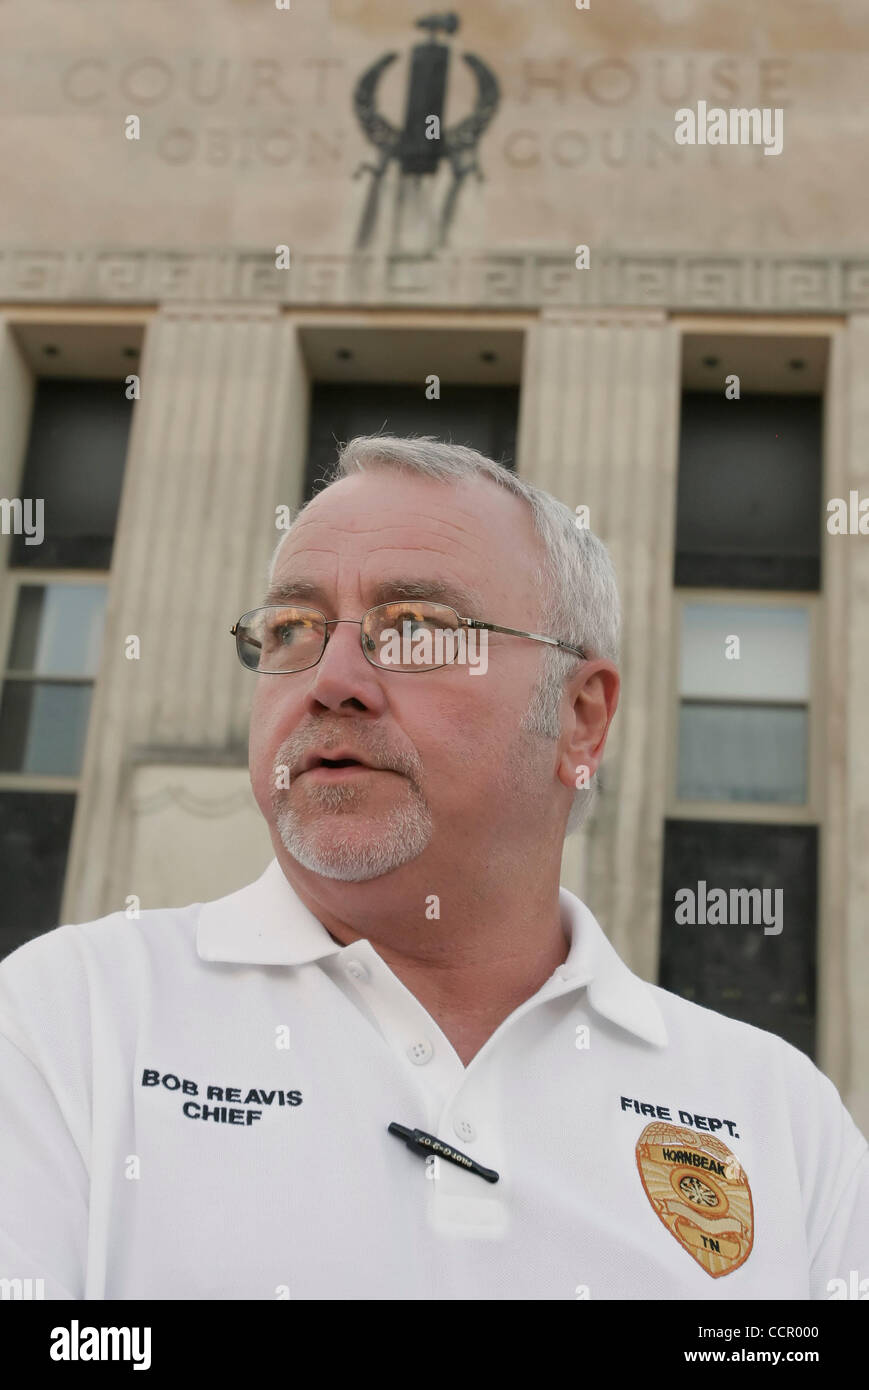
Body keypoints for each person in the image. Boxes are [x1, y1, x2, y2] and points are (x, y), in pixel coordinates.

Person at [0, 434, 866, 1300]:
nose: (332, 679)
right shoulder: (66, 1025)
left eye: (414, 629)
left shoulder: (779, 1120)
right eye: (293, 628)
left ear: (579, 718)